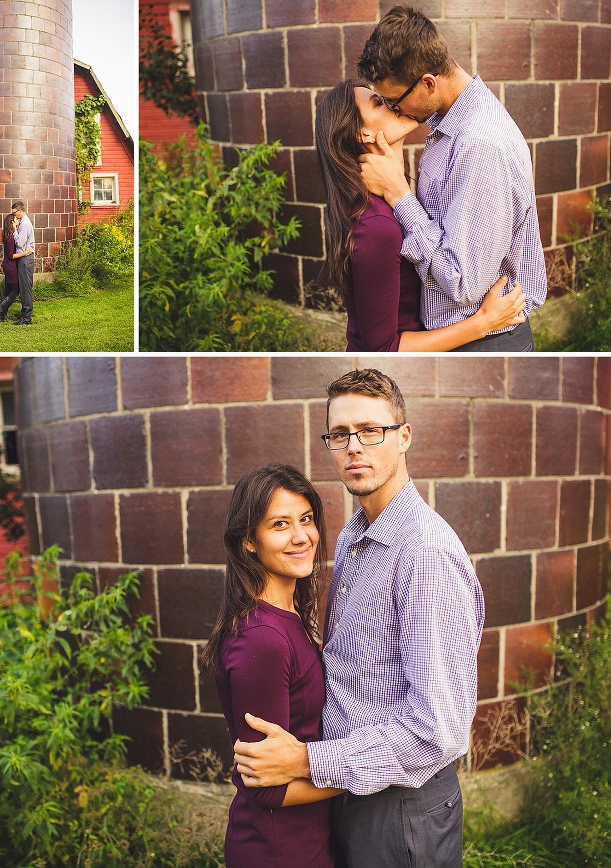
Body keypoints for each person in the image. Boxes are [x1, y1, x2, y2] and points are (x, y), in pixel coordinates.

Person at [234, 369, 485, 868]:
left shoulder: (424, 553)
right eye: (340, 434)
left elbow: (439, 730)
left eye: (372, 431)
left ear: (404, 437)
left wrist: (308, 761)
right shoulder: (353, 535)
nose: (355, 447)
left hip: (403, 810)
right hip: (351, 789)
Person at [356, 6, 547, 352]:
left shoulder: (478, 145)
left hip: (485, 341)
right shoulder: (451, 127)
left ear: (428, 83)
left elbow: (463, 281)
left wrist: (399, 194)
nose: (394, 110)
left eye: (394, 100)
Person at [200, 463, 342, 868]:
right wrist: (365, 776)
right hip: (278, 851)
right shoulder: (262, 640)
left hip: (309, 840)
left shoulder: (287, 614)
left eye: (307, 519)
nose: (301, 537)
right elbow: (267, 789)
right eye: (280, 524)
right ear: (249, 540)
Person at [316, 80, 526, 352]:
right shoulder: (376, 226)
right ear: (363, 134)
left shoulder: (390, 198)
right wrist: (482, 323)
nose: (391, 102)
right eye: (379, 102)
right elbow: (383, 350)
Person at [0, 212, 33, 323]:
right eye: (16, 219)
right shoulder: (10, 238)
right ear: (12, 223)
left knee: (8, 289)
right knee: (15, 290)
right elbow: (11, 255)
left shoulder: (9, 234)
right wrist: (26, 253)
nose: (18, 220)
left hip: (8, 265)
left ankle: (2, 315)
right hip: (10, 266)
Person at [11, 201, 35, 325]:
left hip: (26, 259)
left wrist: (15, 229)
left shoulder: (25, 224)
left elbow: (20, 243)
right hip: (25, 258)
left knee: (25, 288)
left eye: (15, 213)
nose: (14, 215)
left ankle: (26, 318)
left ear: (20, 211)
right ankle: (24, 313)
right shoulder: (23, 222)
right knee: (24, 287)